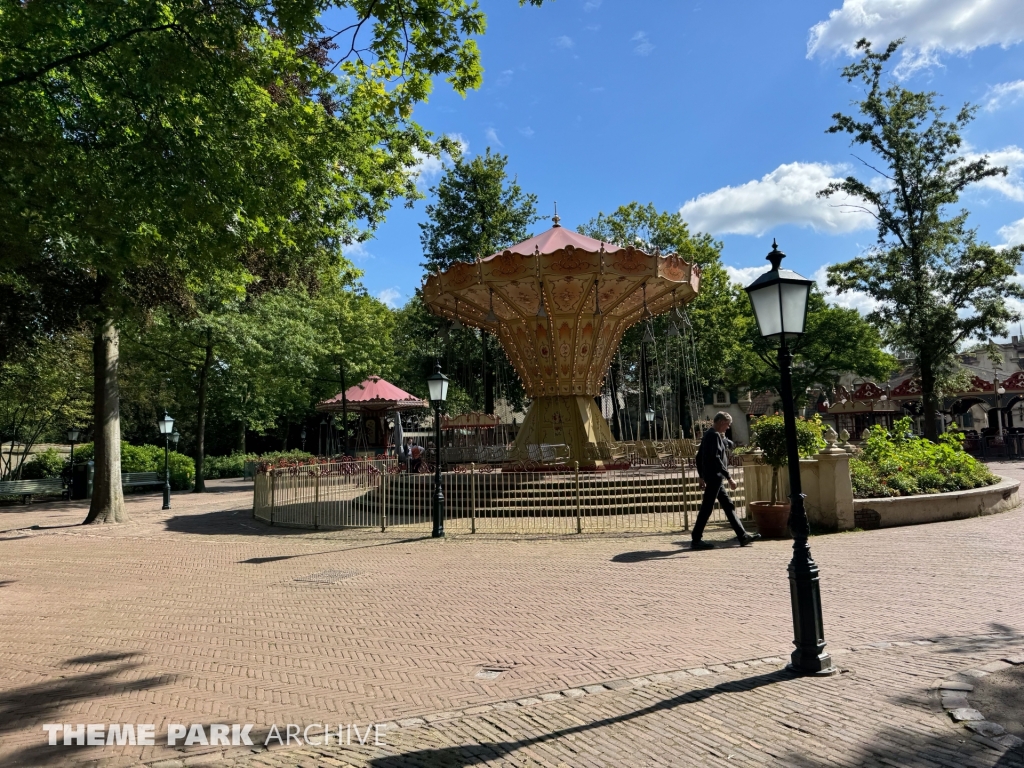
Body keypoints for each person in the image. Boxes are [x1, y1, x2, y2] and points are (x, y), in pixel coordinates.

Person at [691, 411, 760, 550]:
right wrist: (729, 477)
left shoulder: (708, 435)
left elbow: (699, 457)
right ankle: (696, 539)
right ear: (722, 422)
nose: (728, 428)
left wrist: (701, 476)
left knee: (728, 505)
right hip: (715, 476)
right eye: (727, 425)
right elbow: (716, 458)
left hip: (713, 477)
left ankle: (742, 536)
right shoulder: (714, 435)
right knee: (707, 507)